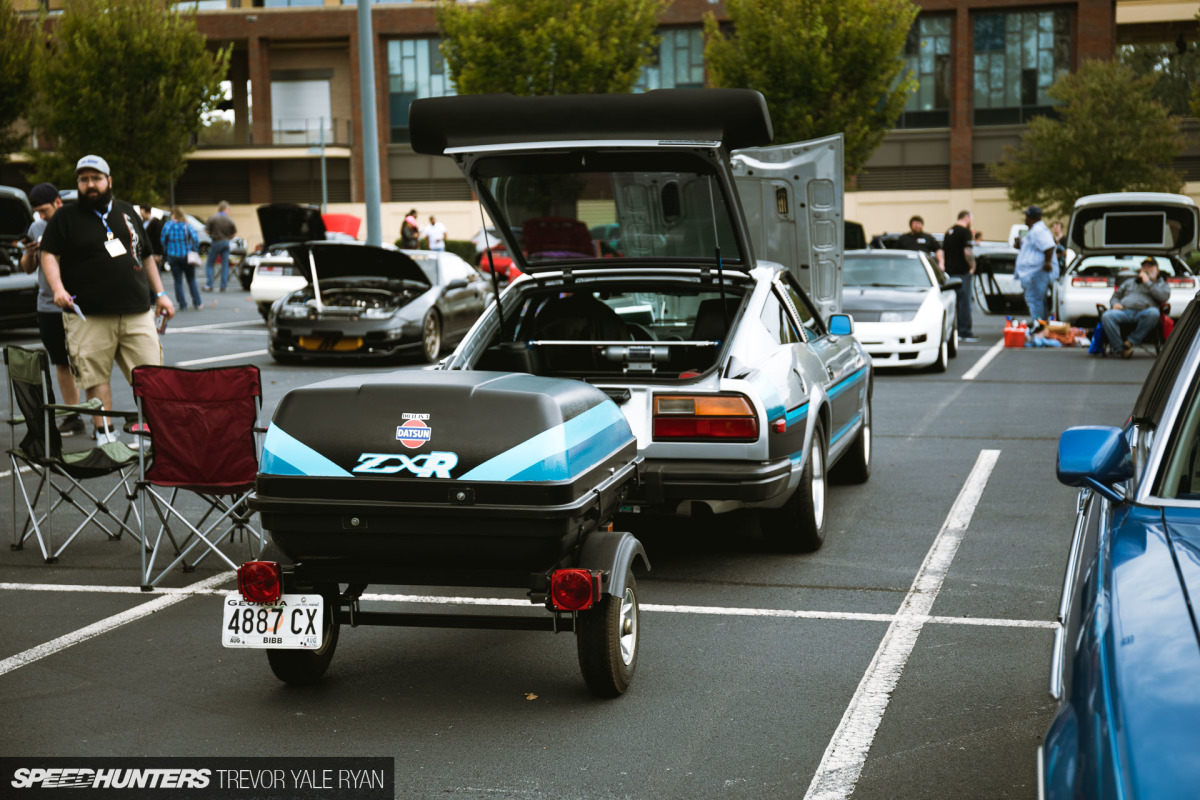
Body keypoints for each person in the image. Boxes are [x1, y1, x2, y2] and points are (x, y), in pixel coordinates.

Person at [39, 155, 175, 445]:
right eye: (84, 180)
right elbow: (48, 254)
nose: (90, 185)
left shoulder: (128, 212)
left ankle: (147, 433)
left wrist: (161, 294)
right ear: (78, 184)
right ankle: (105, 436)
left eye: (96, 179)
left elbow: (146, 255)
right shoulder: (66, 217)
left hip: (137, 311)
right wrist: (58, 289)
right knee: (95, 378)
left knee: (150, 375)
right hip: (88, 315)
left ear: (108, 181)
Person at [18, 183, 85, 436]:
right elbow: (26, 267)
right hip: (47, 305)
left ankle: (98, 417)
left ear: (58, 202)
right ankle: (73, 415)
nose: (42, 216)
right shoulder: (36, 227)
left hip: (76, 303)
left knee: (85, 361)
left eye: (44, 210)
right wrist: (30, 252)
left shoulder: (76, 222)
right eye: (38, 212)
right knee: (61, 362)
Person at [1100, 257, 1169, 359]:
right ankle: (1121, 349)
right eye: (1144, 266)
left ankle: (1131, 341)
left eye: (1150, 267)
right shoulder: (1130, 282)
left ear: (1157, 271)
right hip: (1124, 311)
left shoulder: (1161, 284)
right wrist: (1115, 304)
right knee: (1107, 316)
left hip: (1145, 312)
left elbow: (1163, 297)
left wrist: (1148, 282)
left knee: (1154, 313)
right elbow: (1115, 296)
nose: (1146, 269)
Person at [1014, 205, 1058, 327]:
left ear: (1030, 217)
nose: (1025, 219)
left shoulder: (1038, 230)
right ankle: (1041, 323)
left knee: (1035, 300)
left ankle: (1038, 324)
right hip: (1034, 272)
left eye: (1026, 216)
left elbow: (1049, 246)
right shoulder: (1035, 230)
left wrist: (1047, 262)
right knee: (1038, 300)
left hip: (1036, 272)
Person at [942, 209, 976, 342]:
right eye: (971, 219)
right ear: (967, 218)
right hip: (962, 273)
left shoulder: (949, 232)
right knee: (964, 303)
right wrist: (972, 266)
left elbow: (944, 252)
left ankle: (953, 331)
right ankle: (965, 332)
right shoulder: (965, 232)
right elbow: (968, 251)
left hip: (950, 273)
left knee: (952, 303)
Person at [161, 206, 203, 311]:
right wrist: (193, 249)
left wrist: (166, 250)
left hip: (173, 256)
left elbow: (162, 240)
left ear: (173, 214)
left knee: (178, 281)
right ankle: (197, 303)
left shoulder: (168, 225)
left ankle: (182, 304)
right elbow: (195, 239)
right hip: (186, 256)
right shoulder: (186, 225)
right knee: (191, 280)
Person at [203, 200, 237, 292]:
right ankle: (223, 285)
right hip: (226, 242)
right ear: (225, 209)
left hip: (216, 242)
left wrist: (212, 234)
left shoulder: (213, 218)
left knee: (210, 264)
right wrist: (228, 237)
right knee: (225, 265)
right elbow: (234, 234)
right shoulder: (229, 219)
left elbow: (206, 231)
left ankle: (209, 284)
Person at [139, 204, 165, 272]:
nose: (141, 214)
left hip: (154, 252)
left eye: (142, 212)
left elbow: (159, 238)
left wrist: (158, 254)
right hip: (146, 252)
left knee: (155, 271)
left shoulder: (156, 222)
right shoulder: (143, 222)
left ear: (147, 212)